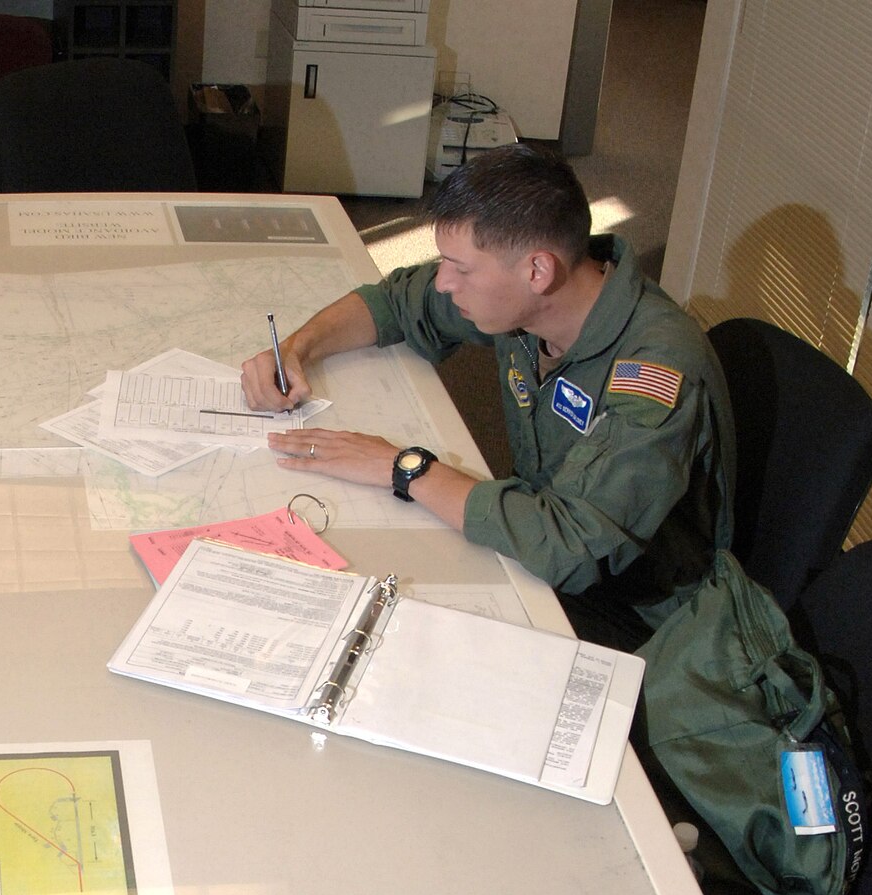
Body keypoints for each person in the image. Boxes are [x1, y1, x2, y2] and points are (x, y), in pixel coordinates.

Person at [240, 144, 735, 650]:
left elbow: (570, 547)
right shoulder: (529, 301)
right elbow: (396, 303)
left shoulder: (655, 371)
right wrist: (296, 350)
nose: (443, 281)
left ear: (538, 271)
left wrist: (406, 468)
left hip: (637, 612)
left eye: (460, 268)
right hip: (537, 542)